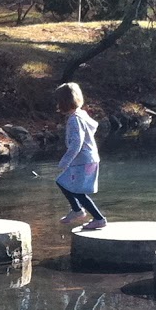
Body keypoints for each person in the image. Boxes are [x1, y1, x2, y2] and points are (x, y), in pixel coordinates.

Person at [54, 81, 106, 230]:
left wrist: (65, 161)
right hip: (88, 159)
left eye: (58, 101)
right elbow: (94, 126)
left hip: (83, 160)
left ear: (64, 102)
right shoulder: (81, 114)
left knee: (77, 191)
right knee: (62, 182)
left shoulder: (74, 119)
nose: (57, 105)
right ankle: (77, 210)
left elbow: (77, 143)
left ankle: (99, 219)